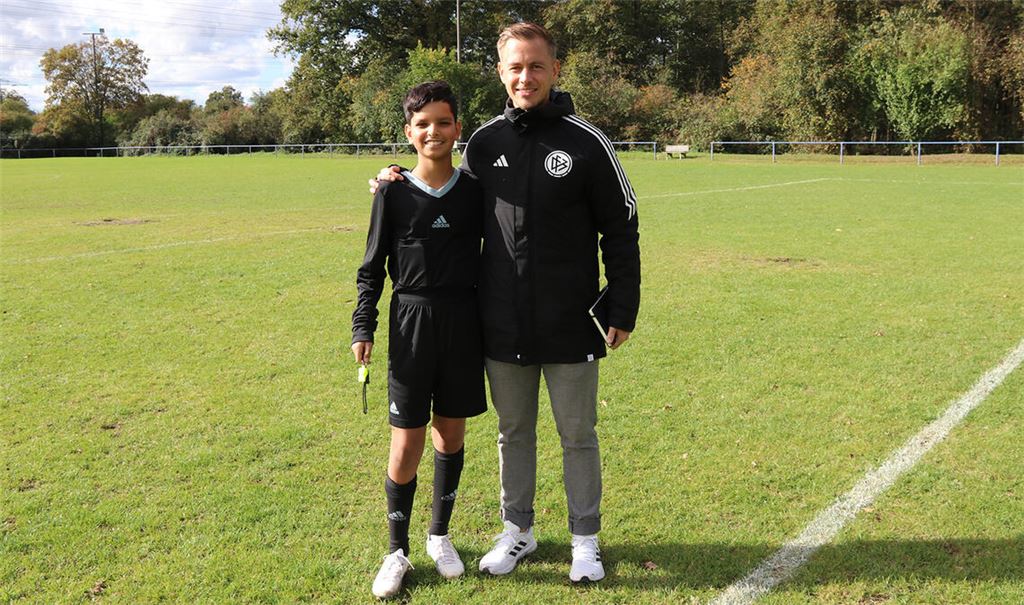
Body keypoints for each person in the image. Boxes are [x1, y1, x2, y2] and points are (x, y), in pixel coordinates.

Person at [371, 22, 640, 583]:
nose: (526, 77)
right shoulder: (485, 143)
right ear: (500, 73)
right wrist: (392, 181)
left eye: (536, 66)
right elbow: (443, 195)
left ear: (555, 70)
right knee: (513, 433)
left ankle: (585, 540)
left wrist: (621, 306)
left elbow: (621, 227)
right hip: (500, 321)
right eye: (515, 67)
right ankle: (518, 530)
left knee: (577, 435)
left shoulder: (587, 142)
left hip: (570, 320)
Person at [352, 80, 487, 599]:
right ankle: (396, 551)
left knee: (450, 436)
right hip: (410, 323)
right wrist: (363, 325)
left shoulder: (474, 190)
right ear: (409, 132)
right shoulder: (392, 192)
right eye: (423, 124)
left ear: (458, 129)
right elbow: (371, 267)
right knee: (406, 442)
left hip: (463, 323)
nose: (434, 132)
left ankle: (439, 536)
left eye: (443, 122)